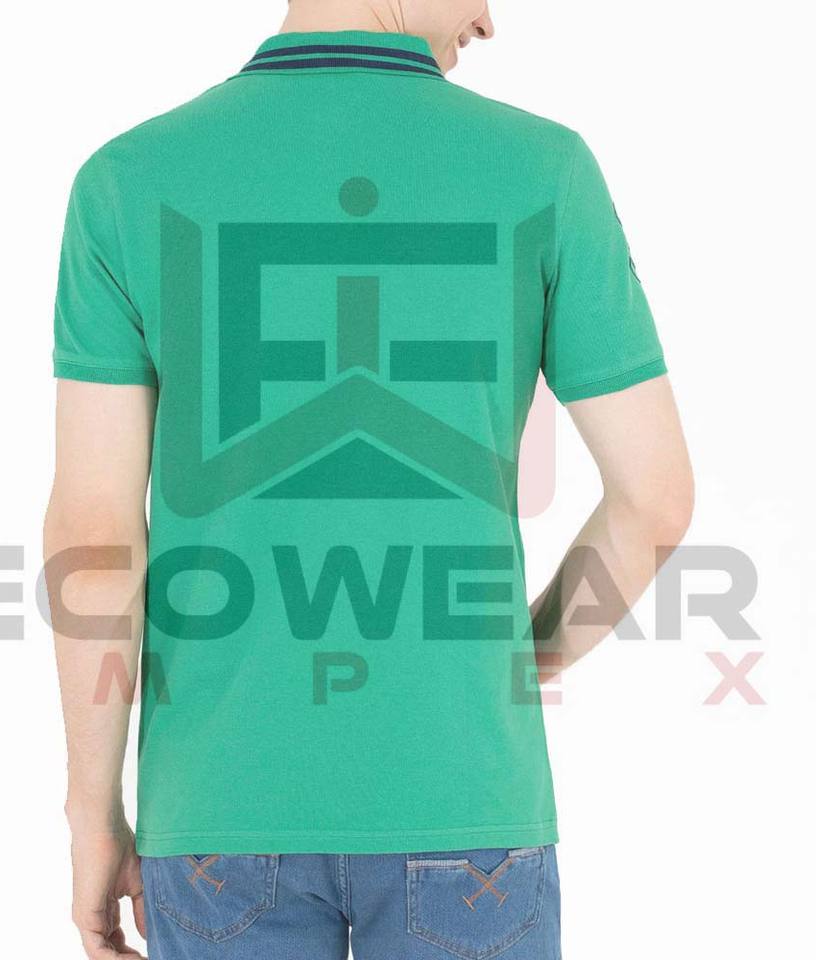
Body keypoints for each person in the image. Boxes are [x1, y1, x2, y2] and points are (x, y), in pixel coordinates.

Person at [43, 1, 694, 957]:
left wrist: (92, 814)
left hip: (216, 817)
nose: (487, 20)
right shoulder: (544, 169)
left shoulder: (126, 179)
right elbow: (656, 500)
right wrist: (525, 659)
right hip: (466, 801)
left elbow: (95, 536)